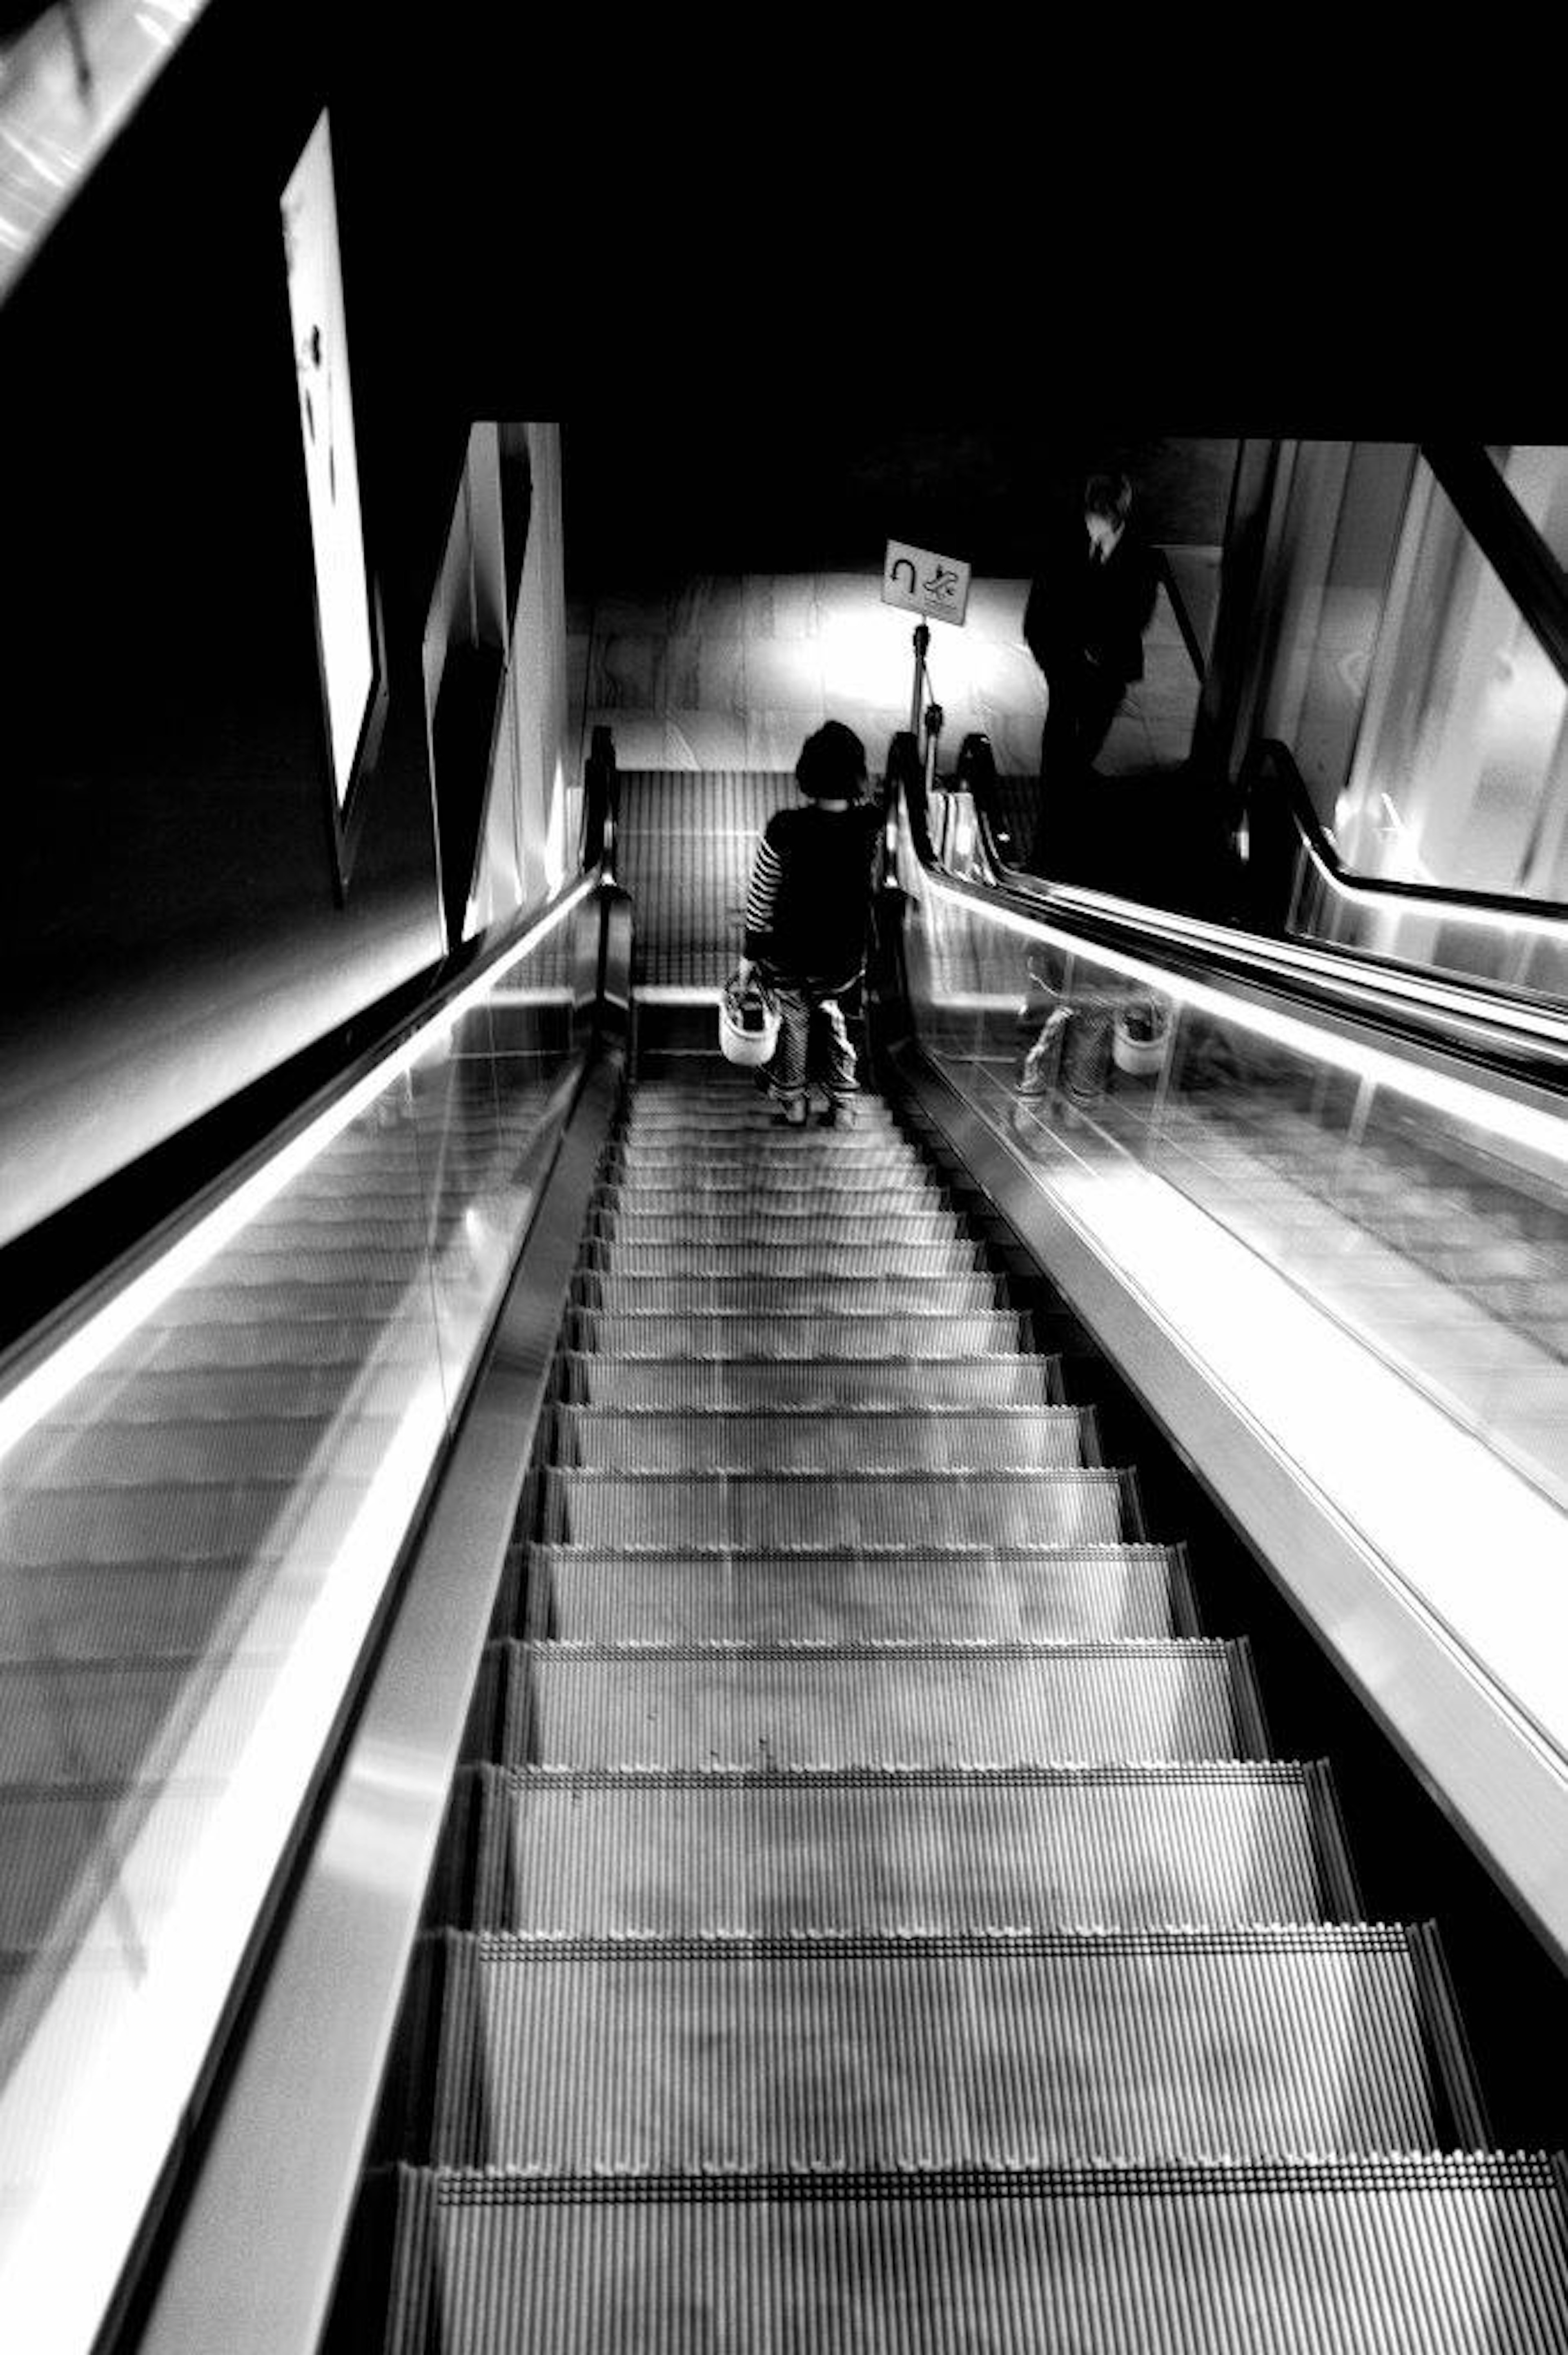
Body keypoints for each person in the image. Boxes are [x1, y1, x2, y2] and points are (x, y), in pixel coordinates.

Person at [734, 719, 884, 1128]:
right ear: (857, 774)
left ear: (808, 772)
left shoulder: (784, 828)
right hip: (844, 959)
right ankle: (844, 1107)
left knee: (793, 1025)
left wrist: (749, 958)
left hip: (788, 957)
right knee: (839, 1024)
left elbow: (761, 899)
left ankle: (794, 1105)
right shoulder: (872, 827)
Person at [1022, 469, 1158, 875]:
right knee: (1061, 724)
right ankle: (1053, 805)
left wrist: (1101, 647)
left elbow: (1139, 613)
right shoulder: (1065, 540)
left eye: (1103, 516)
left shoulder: (1139, 553)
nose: (1094, 523)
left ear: (1118, 515)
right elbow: (1043, 604)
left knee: (1094, 728)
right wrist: (1051, 654)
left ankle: (1071, 790)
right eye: (1091, 514)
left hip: (1107, 667)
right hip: (1065, 662)